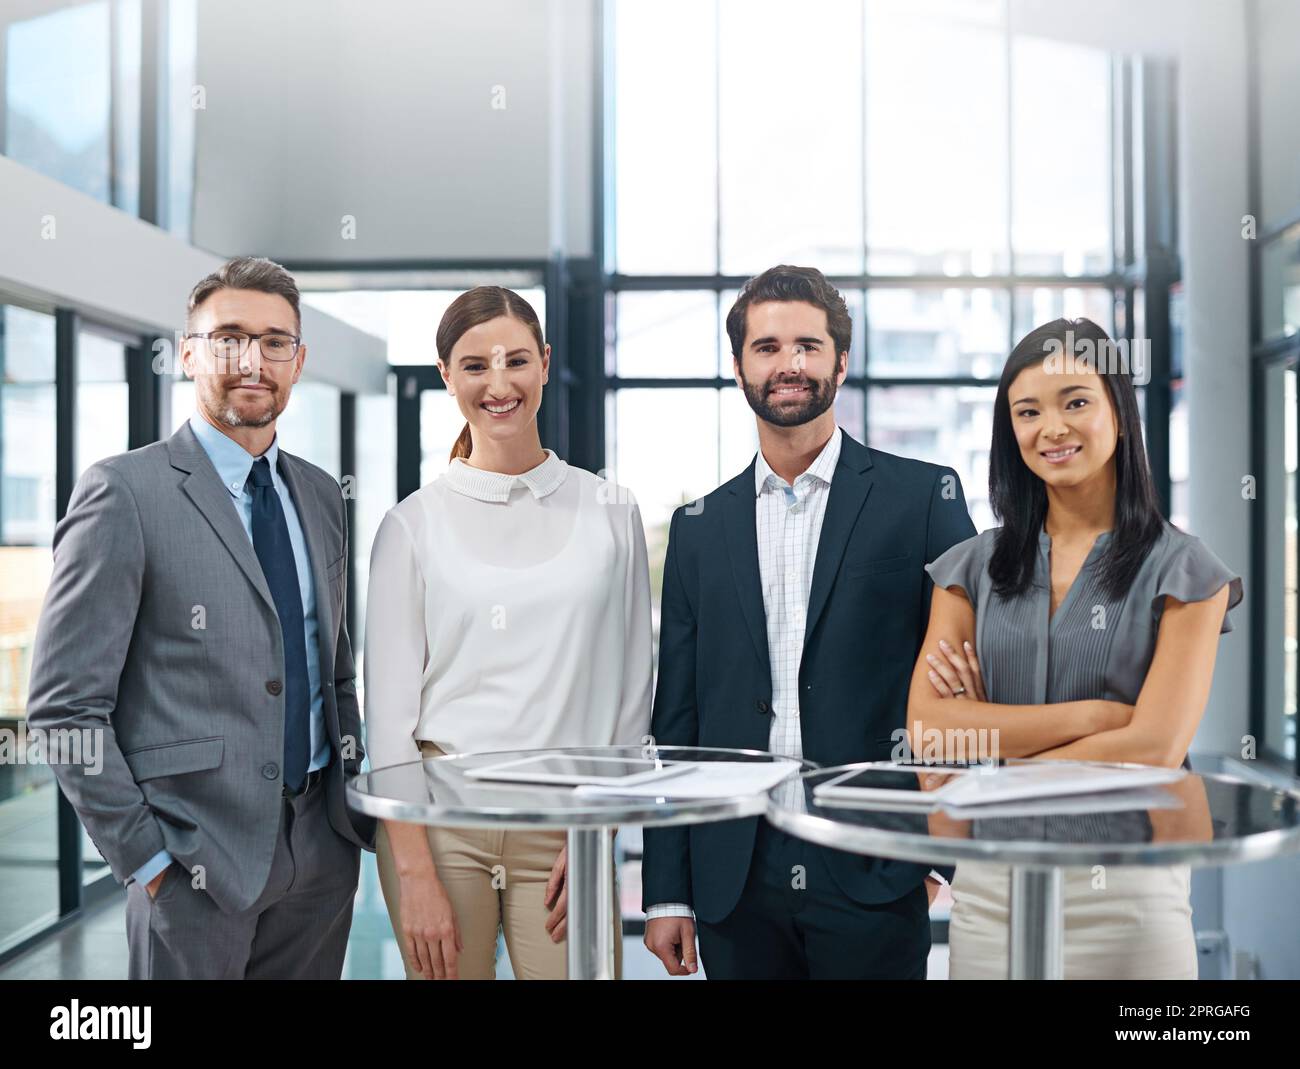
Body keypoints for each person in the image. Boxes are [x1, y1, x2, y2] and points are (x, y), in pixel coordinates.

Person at [26, 256, 375, 979]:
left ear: (299, 360)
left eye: (276, 340)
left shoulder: (317, 495)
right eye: (228, 338)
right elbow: (64, 710)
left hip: (320, 858)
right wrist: (149, 863)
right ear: (188, 353)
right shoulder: (125, 493)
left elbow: (334, 673)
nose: (253, 359)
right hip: (191, 868)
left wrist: (345, 818)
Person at [641, 265, 976, 980]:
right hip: (737, 866)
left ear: (841, 360)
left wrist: (937, 851)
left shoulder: (923, 498)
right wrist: (667, 886)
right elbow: (678, 716)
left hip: (875, 861)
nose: (788, 363)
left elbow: (965, 684)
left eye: (807, 345)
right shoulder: (698, 529)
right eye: (766, 347)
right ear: (738, 366)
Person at [911, 316, 1243, 979]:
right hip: (990, 896)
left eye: (1075, 402)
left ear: (1118, 409)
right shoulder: (968, 569)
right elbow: (929, 732)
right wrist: (1098, 717)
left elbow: (1152, 745)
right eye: (1027, 411)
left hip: (1129, 900)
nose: (1052, 428)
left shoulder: (1188, 571)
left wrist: (990, 759)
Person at [365, 285, 652, 980]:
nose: (499, 385)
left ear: (546, 364)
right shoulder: (411, 525)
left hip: (567, 831)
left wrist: (597, 830)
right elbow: (389, 720)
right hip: (440, 833)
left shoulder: (612, 510)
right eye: (474, 366)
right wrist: (414, 872)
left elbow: (633, 691)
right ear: (446, 375)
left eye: (516, 360)